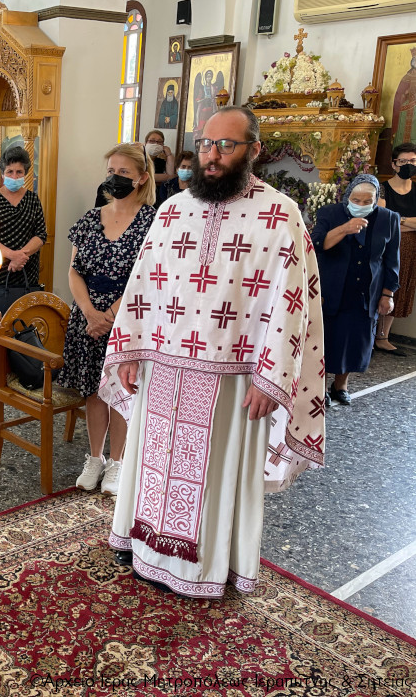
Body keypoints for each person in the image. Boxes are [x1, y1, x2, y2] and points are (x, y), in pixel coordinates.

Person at [98, 107, 325, 599]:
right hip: (163, 371)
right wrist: (133, 349)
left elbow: (292, 303)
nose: (212, 156)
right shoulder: (173, 210)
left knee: (217, 476)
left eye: (226, 146)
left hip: (233, 380)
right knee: (153, 462)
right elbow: (144, 286)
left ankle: (209, 567)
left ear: (254, 151)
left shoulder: (278, 214)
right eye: (205, 145)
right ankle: (144, 549)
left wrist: (273, 378)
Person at [59, 143, 156, 496]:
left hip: (128, 317)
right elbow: (73, 271)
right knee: (94, 391)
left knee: (120, 391)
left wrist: (111, 315)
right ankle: (95, 458)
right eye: (111, 171)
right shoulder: (89, 219)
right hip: (87, 317)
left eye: (123, 173)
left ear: (142, 178)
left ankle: (117, 462)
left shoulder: (153, 222)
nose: (114, 178)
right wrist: (89, 312)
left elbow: (145, 277)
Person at [313, 174, 399, 407]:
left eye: (367, 200)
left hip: (365, 291)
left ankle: (340, 386)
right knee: (328, 340)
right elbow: (316, 244)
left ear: (376, 199)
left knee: (354, 341)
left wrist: (387, 294)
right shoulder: (329, 214)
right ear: (347, 196)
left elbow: (391, 260)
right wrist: (344, 229)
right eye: (356, 199)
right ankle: (321, 388)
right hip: (331, 289)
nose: (361, 205)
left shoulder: (389, 219)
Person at [0, 146, 47, 341]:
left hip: (27, 272)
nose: (14, 175)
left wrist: (21, 256)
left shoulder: (33, 199)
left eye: (19, 172)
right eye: (10, 171)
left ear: (25, 173)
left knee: (26, 325)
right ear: (3, 173)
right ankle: (0, 369)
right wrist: (12, 256)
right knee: (0, 326)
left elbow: (41, 234)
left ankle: (25, 367)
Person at [376, 142, 416, 354]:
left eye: (412, 161)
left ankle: (384, 336)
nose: (408, 165)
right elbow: (383, 220)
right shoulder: (382, 187)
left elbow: (393, 220)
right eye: (403, 161)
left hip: (410, 249)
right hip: (387, 245)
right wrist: (410, 223)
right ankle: (372, 334)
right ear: (394, 164)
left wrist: (400, 220)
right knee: (380, 287)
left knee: (399, 291)